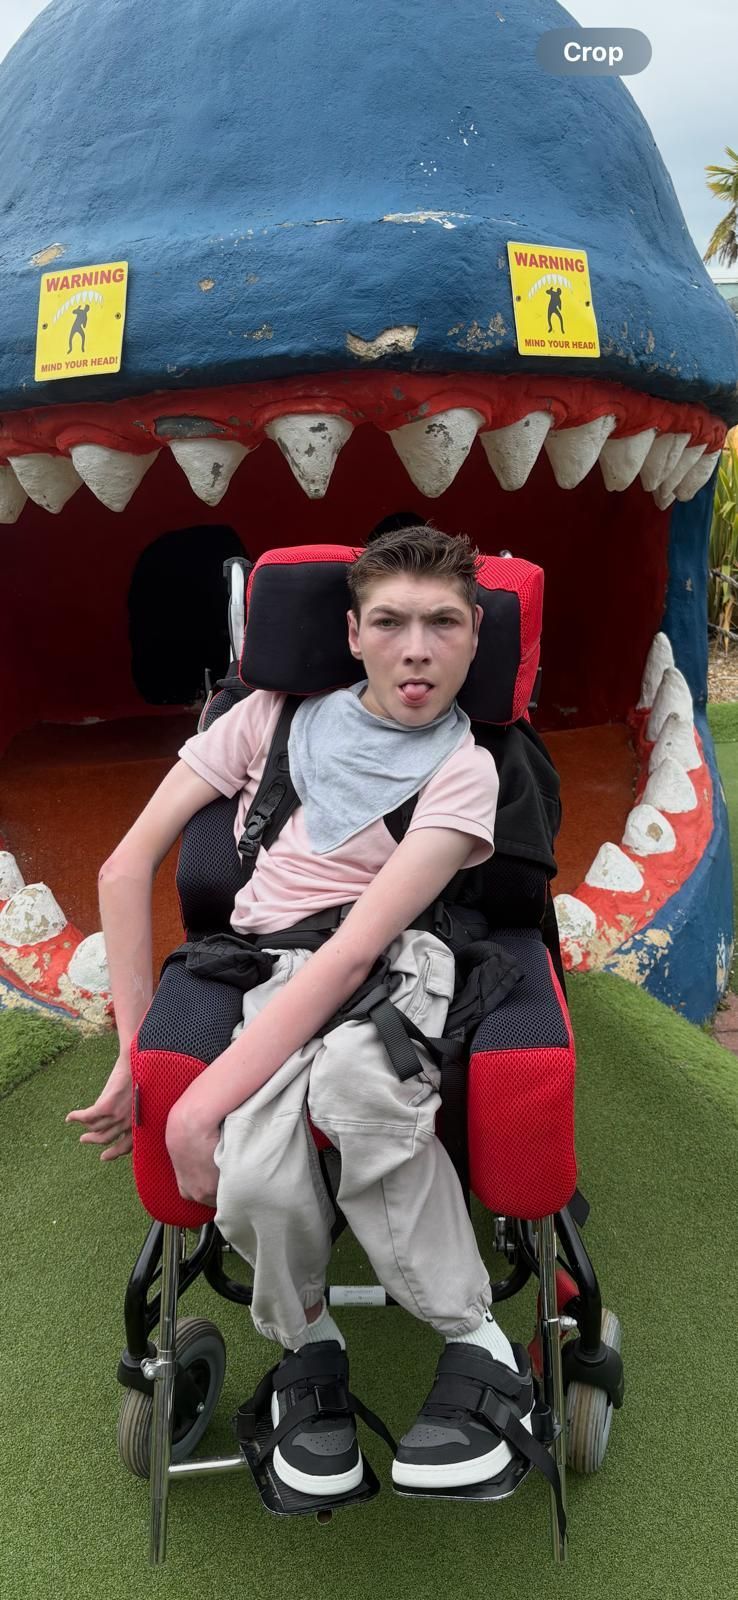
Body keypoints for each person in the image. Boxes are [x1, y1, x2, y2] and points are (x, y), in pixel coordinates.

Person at [66, 525, 535, 1500]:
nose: (417, 647)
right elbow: (123, 865)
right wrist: (135, 1041)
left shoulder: (469, 771)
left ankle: (479, 1343)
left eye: (444, 623)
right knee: (254, 1181)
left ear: (474, 639)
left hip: (401, 960)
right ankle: (309, 1352)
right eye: (392, 622)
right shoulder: (268, 719)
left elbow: (360, 948)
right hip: (266, 966)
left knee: (359, 1083)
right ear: (353, 631)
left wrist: (199, 1103)